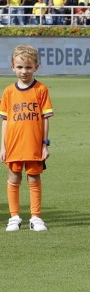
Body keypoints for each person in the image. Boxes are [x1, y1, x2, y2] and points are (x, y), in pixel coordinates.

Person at [1, 45, 52, 232]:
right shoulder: (8, 92)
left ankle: (35, 217)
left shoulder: (41, 89)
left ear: (36, 67)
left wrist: (45, 144)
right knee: (14, 178)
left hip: (34, 144)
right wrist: (2, 146)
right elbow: (5, 121)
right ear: (13, 67)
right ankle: (14, 217)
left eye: (28, 67)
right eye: (20, 67)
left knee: (33, 178)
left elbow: (46, 119)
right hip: (13, 144)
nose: (24, 71)